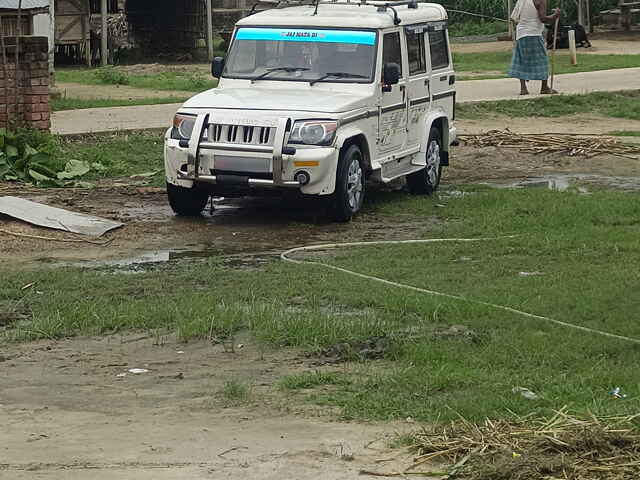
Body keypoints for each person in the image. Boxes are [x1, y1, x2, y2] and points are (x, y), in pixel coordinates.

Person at [508, 0, 561, 95]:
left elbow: (514, 18)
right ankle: (544, 88)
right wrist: (555, 15)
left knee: (522, 60)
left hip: (521, 34)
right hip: (534, 33)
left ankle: (523, 89)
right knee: (542, 59)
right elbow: (543, 19)